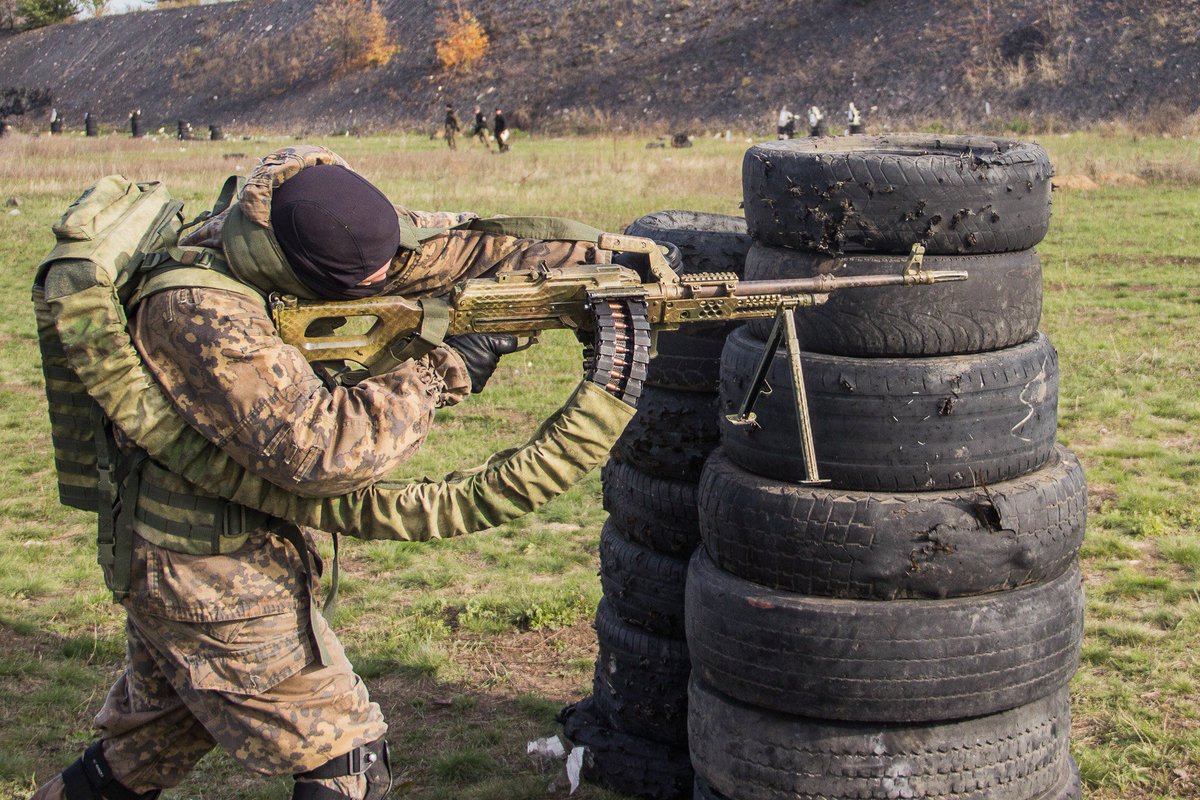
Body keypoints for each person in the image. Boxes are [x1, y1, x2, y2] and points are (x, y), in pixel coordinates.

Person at [30, 145, 626, 800]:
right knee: (345, 756)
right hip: (206, 571)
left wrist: (612, 259)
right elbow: (322, 452)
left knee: (153, 744)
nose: (384, 282)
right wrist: (445, 365)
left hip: (200, 552)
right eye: (363, 286)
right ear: (306, 271)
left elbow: (444, 247)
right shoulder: (198, 314)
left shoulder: (298, 210)